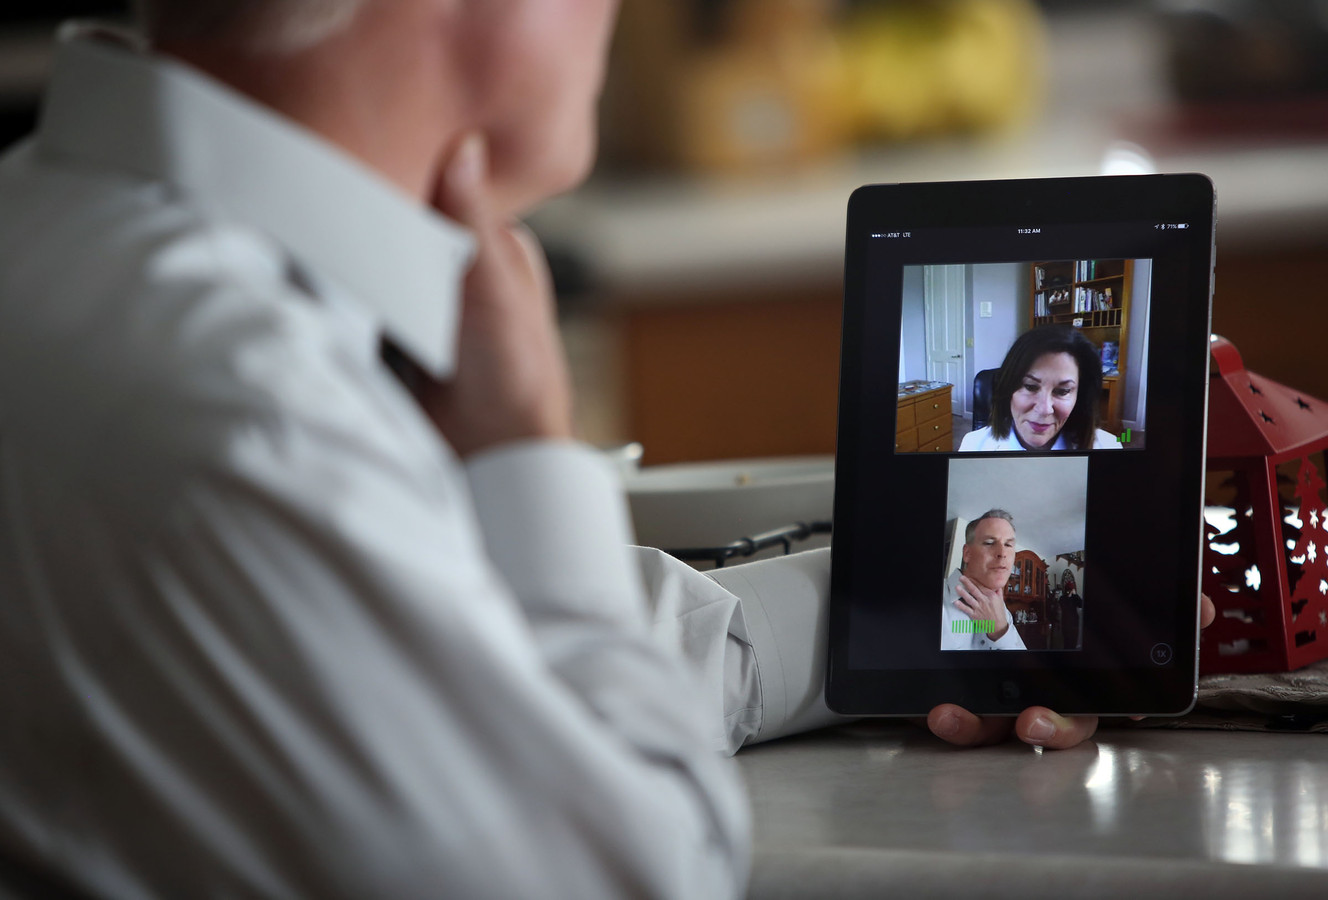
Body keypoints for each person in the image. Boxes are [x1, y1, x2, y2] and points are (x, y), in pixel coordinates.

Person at [0, 2, 751, 896]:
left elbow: (456, 633)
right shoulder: (253, 423)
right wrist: (527, 450)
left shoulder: (44, 224)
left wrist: (875, 632)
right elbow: (649, 875)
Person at [960, 325, 1120, 451]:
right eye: (1030, 387)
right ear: (1007, 389)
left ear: (1079, 397)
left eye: (1063, 391)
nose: (1045, 409)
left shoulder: (1109, 446)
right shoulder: (972, 445)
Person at [940, 510, 1027, 650]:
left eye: (1008, 545)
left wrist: (1000, 632)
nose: (1002, 553)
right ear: (967, 553)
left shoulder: (1003, 613)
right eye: (989, 542)